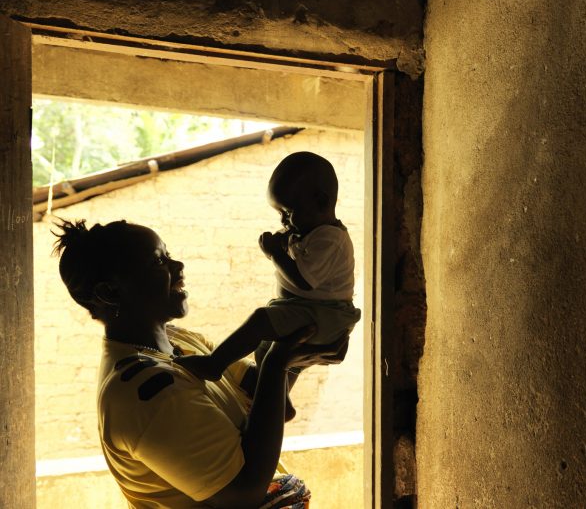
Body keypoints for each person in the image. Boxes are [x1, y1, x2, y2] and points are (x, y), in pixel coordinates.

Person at [53, 218, 347, 508]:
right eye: (158, 262)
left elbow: (268, 401)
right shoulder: (145, 391)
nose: (178, 266)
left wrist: (297, 350)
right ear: (110, 292)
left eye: (169, 255)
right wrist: (277, 363)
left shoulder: (179, 341)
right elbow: (244, 494)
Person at [175, 151, 361, 421]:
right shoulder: (309, 232)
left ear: (321, 202)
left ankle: (215, 364)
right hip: (310, 311)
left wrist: (276, 254)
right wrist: (284, 245)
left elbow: (304, 281)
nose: (284, 221)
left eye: (289, 212)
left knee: (262, 319)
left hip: (326, 315)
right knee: (266, 348)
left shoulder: (330, 239)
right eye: (280, 214)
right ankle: (280, 402)